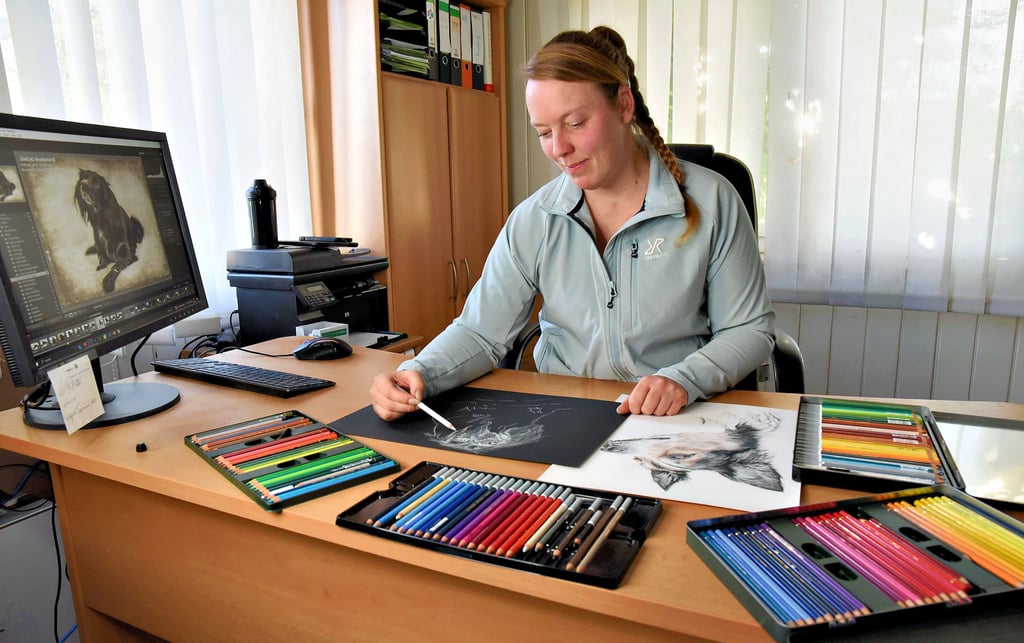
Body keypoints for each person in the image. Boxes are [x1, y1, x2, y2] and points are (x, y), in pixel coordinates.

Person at [370, 26, 775, 421]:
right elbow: (480, 332)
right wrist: (418, 372)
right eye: (544, 132)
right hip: (568, 419)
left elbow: (748, 329)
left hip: (678, 419)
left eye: (576, 123)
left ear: (623, 105)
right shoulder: (535, 219)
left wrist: (684, 380)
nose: (559, 149)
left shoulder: (712, 201)